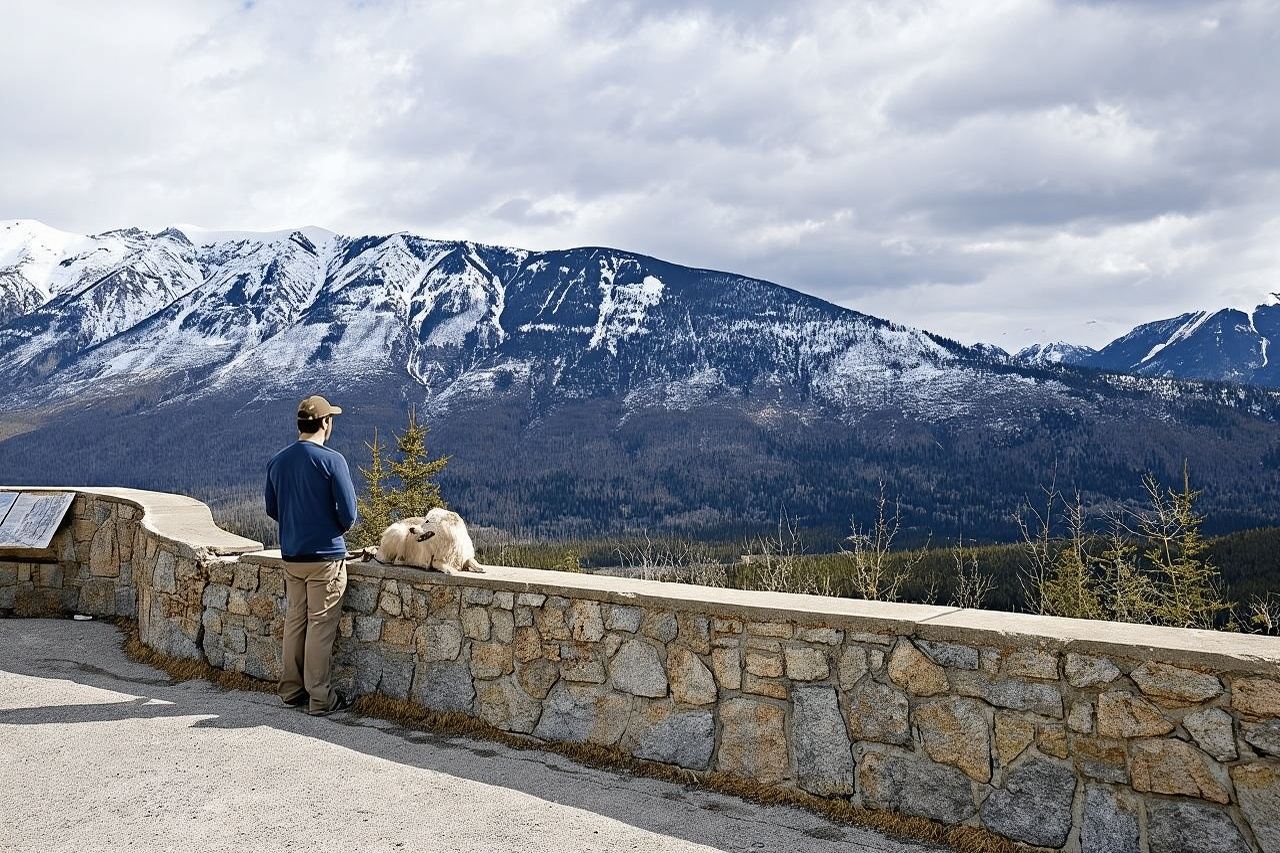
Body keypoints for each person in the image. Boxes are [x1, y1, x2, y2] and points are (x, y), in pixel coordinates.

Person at [265, 394, 357, 715]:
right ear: (325, 423)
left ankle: (290, 689)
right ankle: (320, 698)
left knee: (295, 620)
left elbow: (272, 509)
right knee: (320, 625)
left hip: (292, 556)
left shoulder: (277, 461)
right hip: (325, 559)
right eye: (330, 418)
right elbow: (349, 514)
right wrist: (328, 529)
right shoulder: (333, 461)